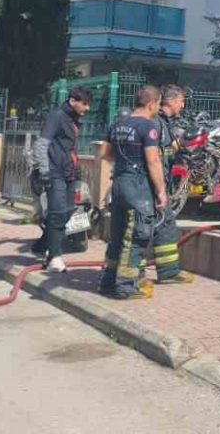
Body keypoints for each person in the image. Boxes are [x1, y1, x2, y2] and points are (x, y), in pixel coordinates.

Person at [97, 86, 169, 300]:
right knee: (138, 235)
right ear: (151, 104)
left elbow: (105, 153)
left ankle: (108, 282)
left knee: (118, 236)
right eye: (158, 103)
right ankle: (125, 286)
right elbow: (153, 161)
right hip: (137, 186)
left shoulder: (118, 123)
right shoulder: (148, 126)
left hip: (118, 183)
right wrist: (161, 191)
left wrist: (124, 162)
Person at [32, 86, 91, 273]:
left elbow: (68, 147)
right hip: (54, 172)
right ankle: (54, 257)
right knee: (58, 213)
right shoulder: (56, 115)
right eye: (84, 104)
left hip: (70, 173)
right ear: (72, 101)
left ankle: (44, 243)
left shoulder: (72, 119)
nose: (87, 108)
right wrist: (44, 171)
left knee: (68, 212)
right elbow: (42, 144)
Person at [148, 85, 193, 285]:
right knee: (143, 229)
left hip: (159, 183)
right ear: (171, 101)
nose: (182, 105)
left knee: (166, 225)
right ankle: (131, 276)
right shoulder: (155, 123)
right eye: (181, 101)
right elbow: (153, 158)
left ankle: (168, 272)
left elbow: (165, 153)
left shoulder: (164, 123)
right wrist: (159, 189)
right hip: (150, 185)